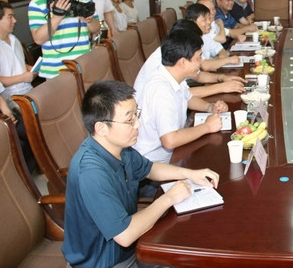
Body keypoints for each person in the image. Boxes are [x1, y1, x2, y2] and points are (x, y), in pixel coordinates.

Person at [62, 80, 219, 268]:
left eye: (136, 115)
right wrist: (168, 198)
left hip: (131, 246)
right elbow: (125, 235)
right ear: (101, 128)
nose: (138, 124)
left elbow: (150, 169)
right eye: (129, 120)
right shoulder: (91, 172)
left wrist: (190, 174)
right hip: (105, 261)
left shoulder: (119, 147)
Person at [133, 28, 229, 167]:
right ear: (183, 62)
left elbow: (188, 98)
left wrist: (210, 107)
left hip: (174, 152)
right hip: (154, 165)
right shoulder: (160, 90)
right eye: (198, 58)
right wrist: (207, 127)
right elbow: (170, 140)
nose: (201, 62)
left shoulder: (172, 75)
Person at [28, 0, 100, 79]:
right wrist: (57, 16)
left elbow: (96, 28)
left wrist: (89, 21)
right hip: (56, 71)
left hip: (84, 66)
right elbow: (38, 39)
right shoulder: (38, 2)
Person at [133, 19, 246, 99]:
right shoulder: (166, 59)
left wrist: (222, 78)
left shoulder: (176, 50)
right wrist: (221, 87)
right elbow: (185, 94)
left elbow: (198, 75)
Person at [0, 2, 36, 100]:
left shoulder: (14, 39)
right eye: (10, 17)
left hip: (28, 90)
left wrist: (32, 69)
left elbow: (17, 64)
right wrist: (22, 78)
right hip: (11, 97)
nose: (14, 20)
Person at [185, 3, 241, 70]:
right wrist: (228, 60)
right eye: (204, 20)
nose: (209, 22)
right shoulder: (188, 40)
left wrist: (218, 61)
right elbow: (204, 66)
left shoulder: (206, 35)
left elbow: (222, 51)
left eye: (209, 18)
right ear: (192, 22)